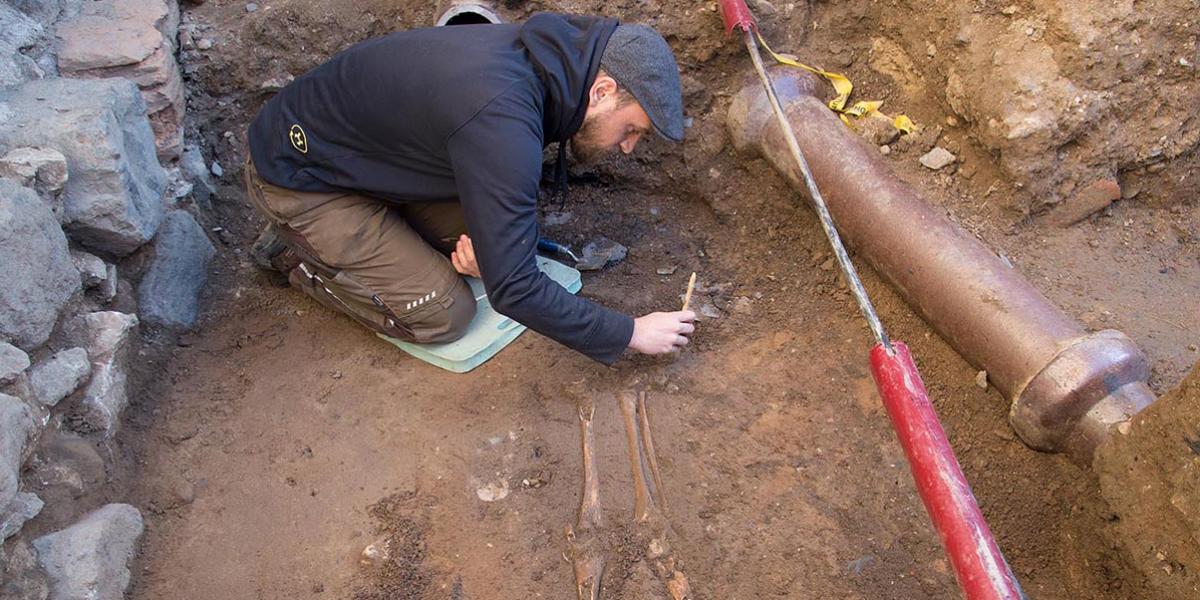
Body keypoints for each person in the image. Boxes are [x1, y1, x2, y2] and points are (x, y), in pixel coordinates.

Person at [244, 12, 695, 365]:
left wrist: (499, 256)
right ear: (603, 91)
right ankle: (297, 256)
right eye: (632, 128)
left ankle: (384, 241)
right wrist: (629, 332)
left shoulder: (553, 63)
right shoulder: (503, 118)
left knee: (497, 239)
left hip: (372, 158)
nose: (630, 147)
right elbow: (515, 291)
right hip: (304, 179)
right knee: (445, 312)